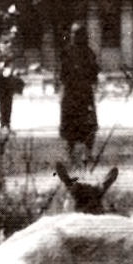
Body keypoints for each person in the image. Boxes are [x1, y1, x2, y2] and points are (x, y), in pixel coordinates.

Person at [58, 22, 99, 167]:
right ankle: (71, 155)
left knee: (88, 125)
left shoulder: (89, 54)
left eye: (77, 34)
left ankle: (87, 154)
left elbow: (94, 75)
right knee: (70, 126)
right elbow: (62, 75)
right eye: (72, 33)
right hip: (72, 95)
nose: (73, 37)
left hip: (83, 95)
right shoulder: (67, 53)